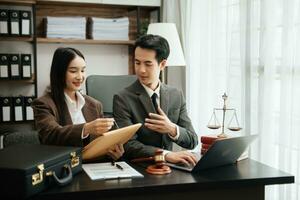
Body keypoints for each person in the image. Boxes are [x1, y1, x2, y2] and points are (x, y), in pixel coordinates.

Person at [113, 34, 198, 165]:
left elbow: (192, 140)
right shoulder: (122, 98)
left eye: (148, 64)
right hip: (141, 167)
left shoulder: (176, 95)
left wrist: (171, 128)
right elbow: (128, 145)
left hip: (171, 168)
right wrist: (166, 155)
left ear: (162, 64)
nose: (141, 70)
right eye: (137, 63)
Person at [32, 47, 124, 160]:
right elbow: (50, 135)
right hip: (64, 170)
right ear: (59, 73)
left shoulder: (95, 105)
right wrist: (86, 129)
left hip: (95, 169)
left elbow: (101, 144)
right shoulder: (43, 104)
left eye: (83, 70)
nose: (80, 77)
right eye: (73, 71)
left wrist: (112, 153)